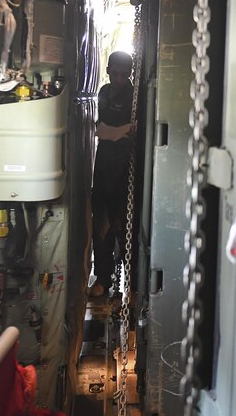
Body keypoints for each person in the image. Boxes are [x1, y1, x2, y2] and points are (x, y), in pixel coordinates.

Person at [90, 51, 136, 298]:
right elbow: (103, 131)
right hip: (104, 167)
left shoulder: (134, 96)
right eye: (114, 73)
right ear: (107, 70)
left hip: (125, 171)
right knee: (101, 228)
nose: (118, 78)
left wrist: (114, 132)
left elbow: (124, 132)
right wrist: (117, 131)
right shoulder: (104, 93)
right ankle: (103, 279)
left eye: (123, 74)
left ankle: (133, 284)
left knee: (124, 226)